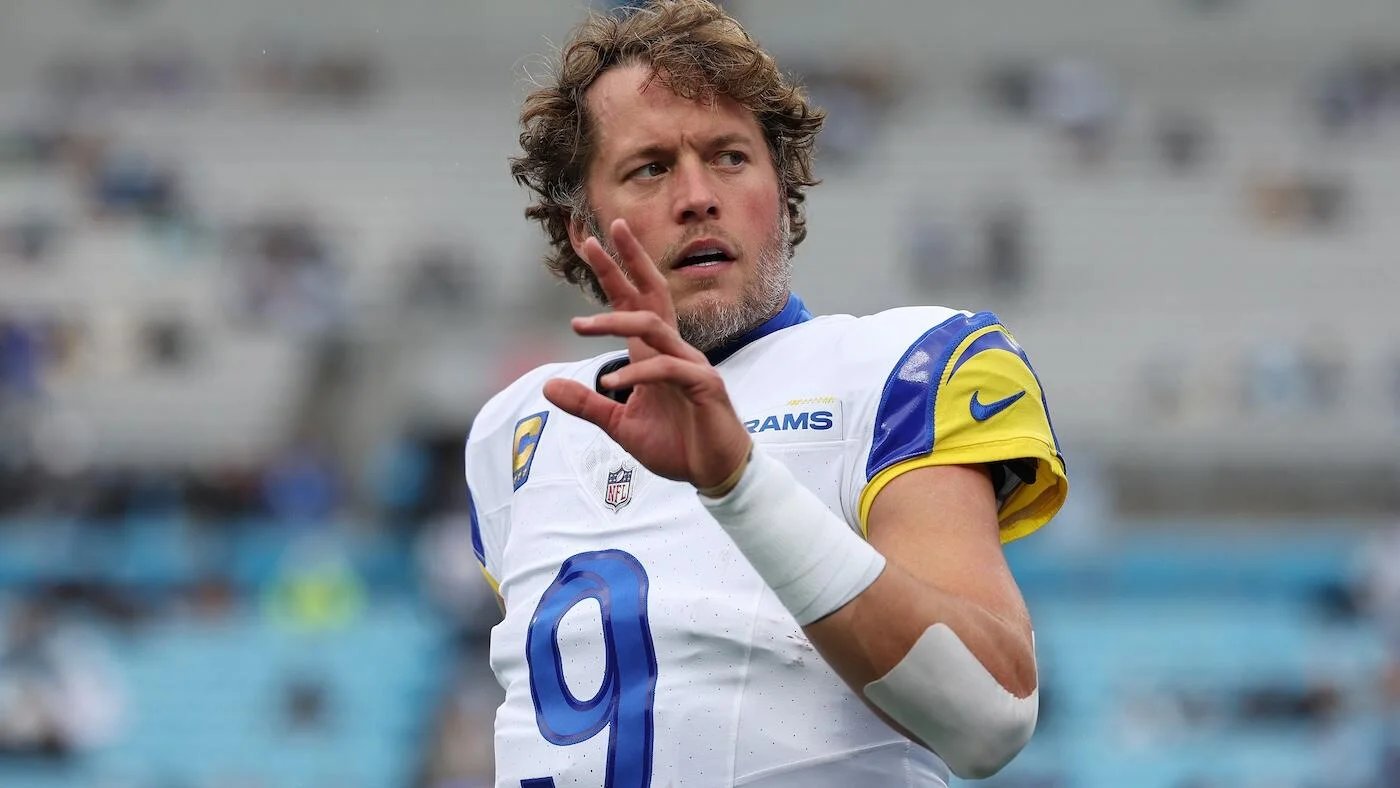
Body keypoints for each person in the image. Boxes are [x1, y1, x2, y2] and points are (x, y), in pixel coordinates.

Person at [465, 2, 1068, 784]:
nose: (697, 196)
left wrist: (739, 483)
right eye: (650, 168)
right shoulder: (518, 430)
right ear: (584, 227)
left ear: (782, 191)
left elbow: (990, 718)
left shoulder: (902, 369)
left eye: (729, 157)